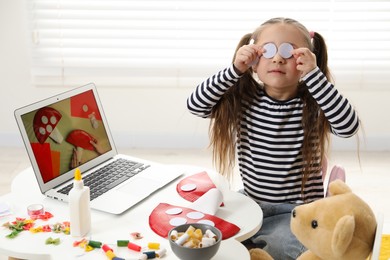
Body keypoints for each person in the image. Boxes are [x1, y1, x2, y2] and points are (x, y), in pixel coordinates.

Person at [186, 17, 360, 259]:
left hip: (296, 211)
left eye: (290, 52)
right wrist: (234, 69)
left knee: (283, 250)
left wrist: (314, 75)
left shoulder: (312, 103)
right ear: (254, 61)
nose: (278, 58)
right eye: (267, 50)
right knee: (212, 239)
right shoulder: (245, 99)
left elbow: (348, 126)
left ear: (306, 60)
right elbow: (195, 105)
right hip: (251, 201)